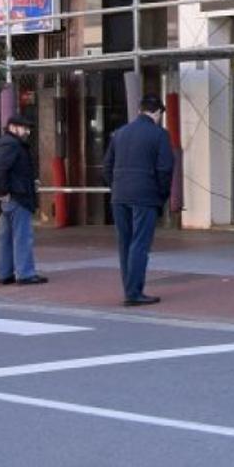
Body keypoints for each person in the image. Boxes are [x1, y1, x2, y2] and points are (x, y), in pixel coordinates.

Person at [102, 94, 175, 307]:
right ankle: (134, 292)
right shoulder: (159, 135)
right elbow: (165, 169)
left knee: (125, 243)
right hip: (145, 196)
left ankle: (129, 288)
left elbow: (107, 166)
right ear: (158, 112)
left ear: (139, 110)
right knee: (140, 244)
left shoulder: (120, 133)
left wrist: (115, 187)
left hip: (120, 196)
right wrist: (161, 195)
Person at [0, 110, 47, 287]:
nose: (27, 132)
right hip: (16, 197)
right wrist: (3, 192)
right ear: (13, 127)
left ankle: (5, 273)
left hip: (11, 196)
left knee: (6, 237)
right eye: (24, 128)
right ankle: (25, 273)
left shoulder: (7, 143)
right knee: (22, 236)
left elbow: (5, 171)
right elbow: (0, 170)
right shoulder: (11, 145)